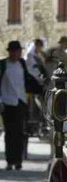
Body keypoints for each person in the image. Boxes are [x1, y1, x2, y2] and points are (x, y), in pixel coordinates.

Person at [0, 41, 43, 170]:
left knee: (19, 132)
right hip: (7, 102)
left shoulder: (22, 64)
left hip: (21, 101)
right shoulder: (3, 65)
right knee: (9, 133)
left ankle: (18, 161)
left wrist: (41, 83)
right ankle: (10, 160)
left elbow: (29, 78)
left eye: (18, 51)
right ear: (10, 52)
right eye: (13, 51)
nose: (16, 54)